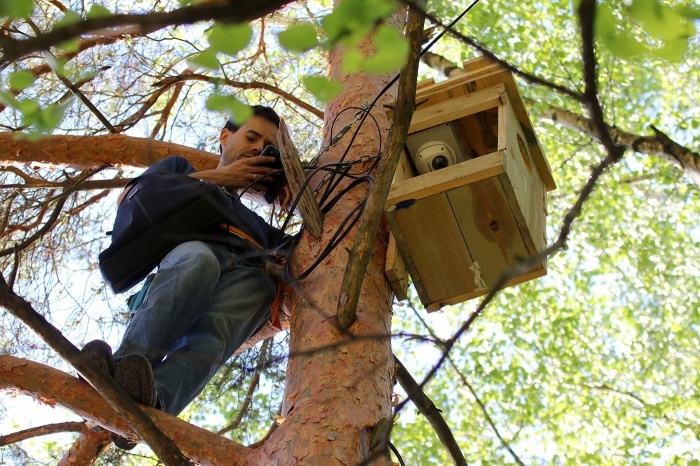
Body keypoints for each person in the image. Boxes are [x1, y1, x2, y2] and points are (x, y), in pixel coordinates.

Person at [81, 105, 290, 449]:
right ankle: (119, 376)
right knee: (199, 261)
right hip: (188, 260)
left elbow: (296, 251)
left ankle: (155, 403)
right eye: (251, 137)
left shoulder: (258, 226)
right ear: (225, 137)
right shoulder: (181, 169)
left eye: (267, 148)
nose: (257, 148)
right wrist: (222, 178)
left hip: (247, 271)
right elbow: (136, 195)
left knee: (249, 298)